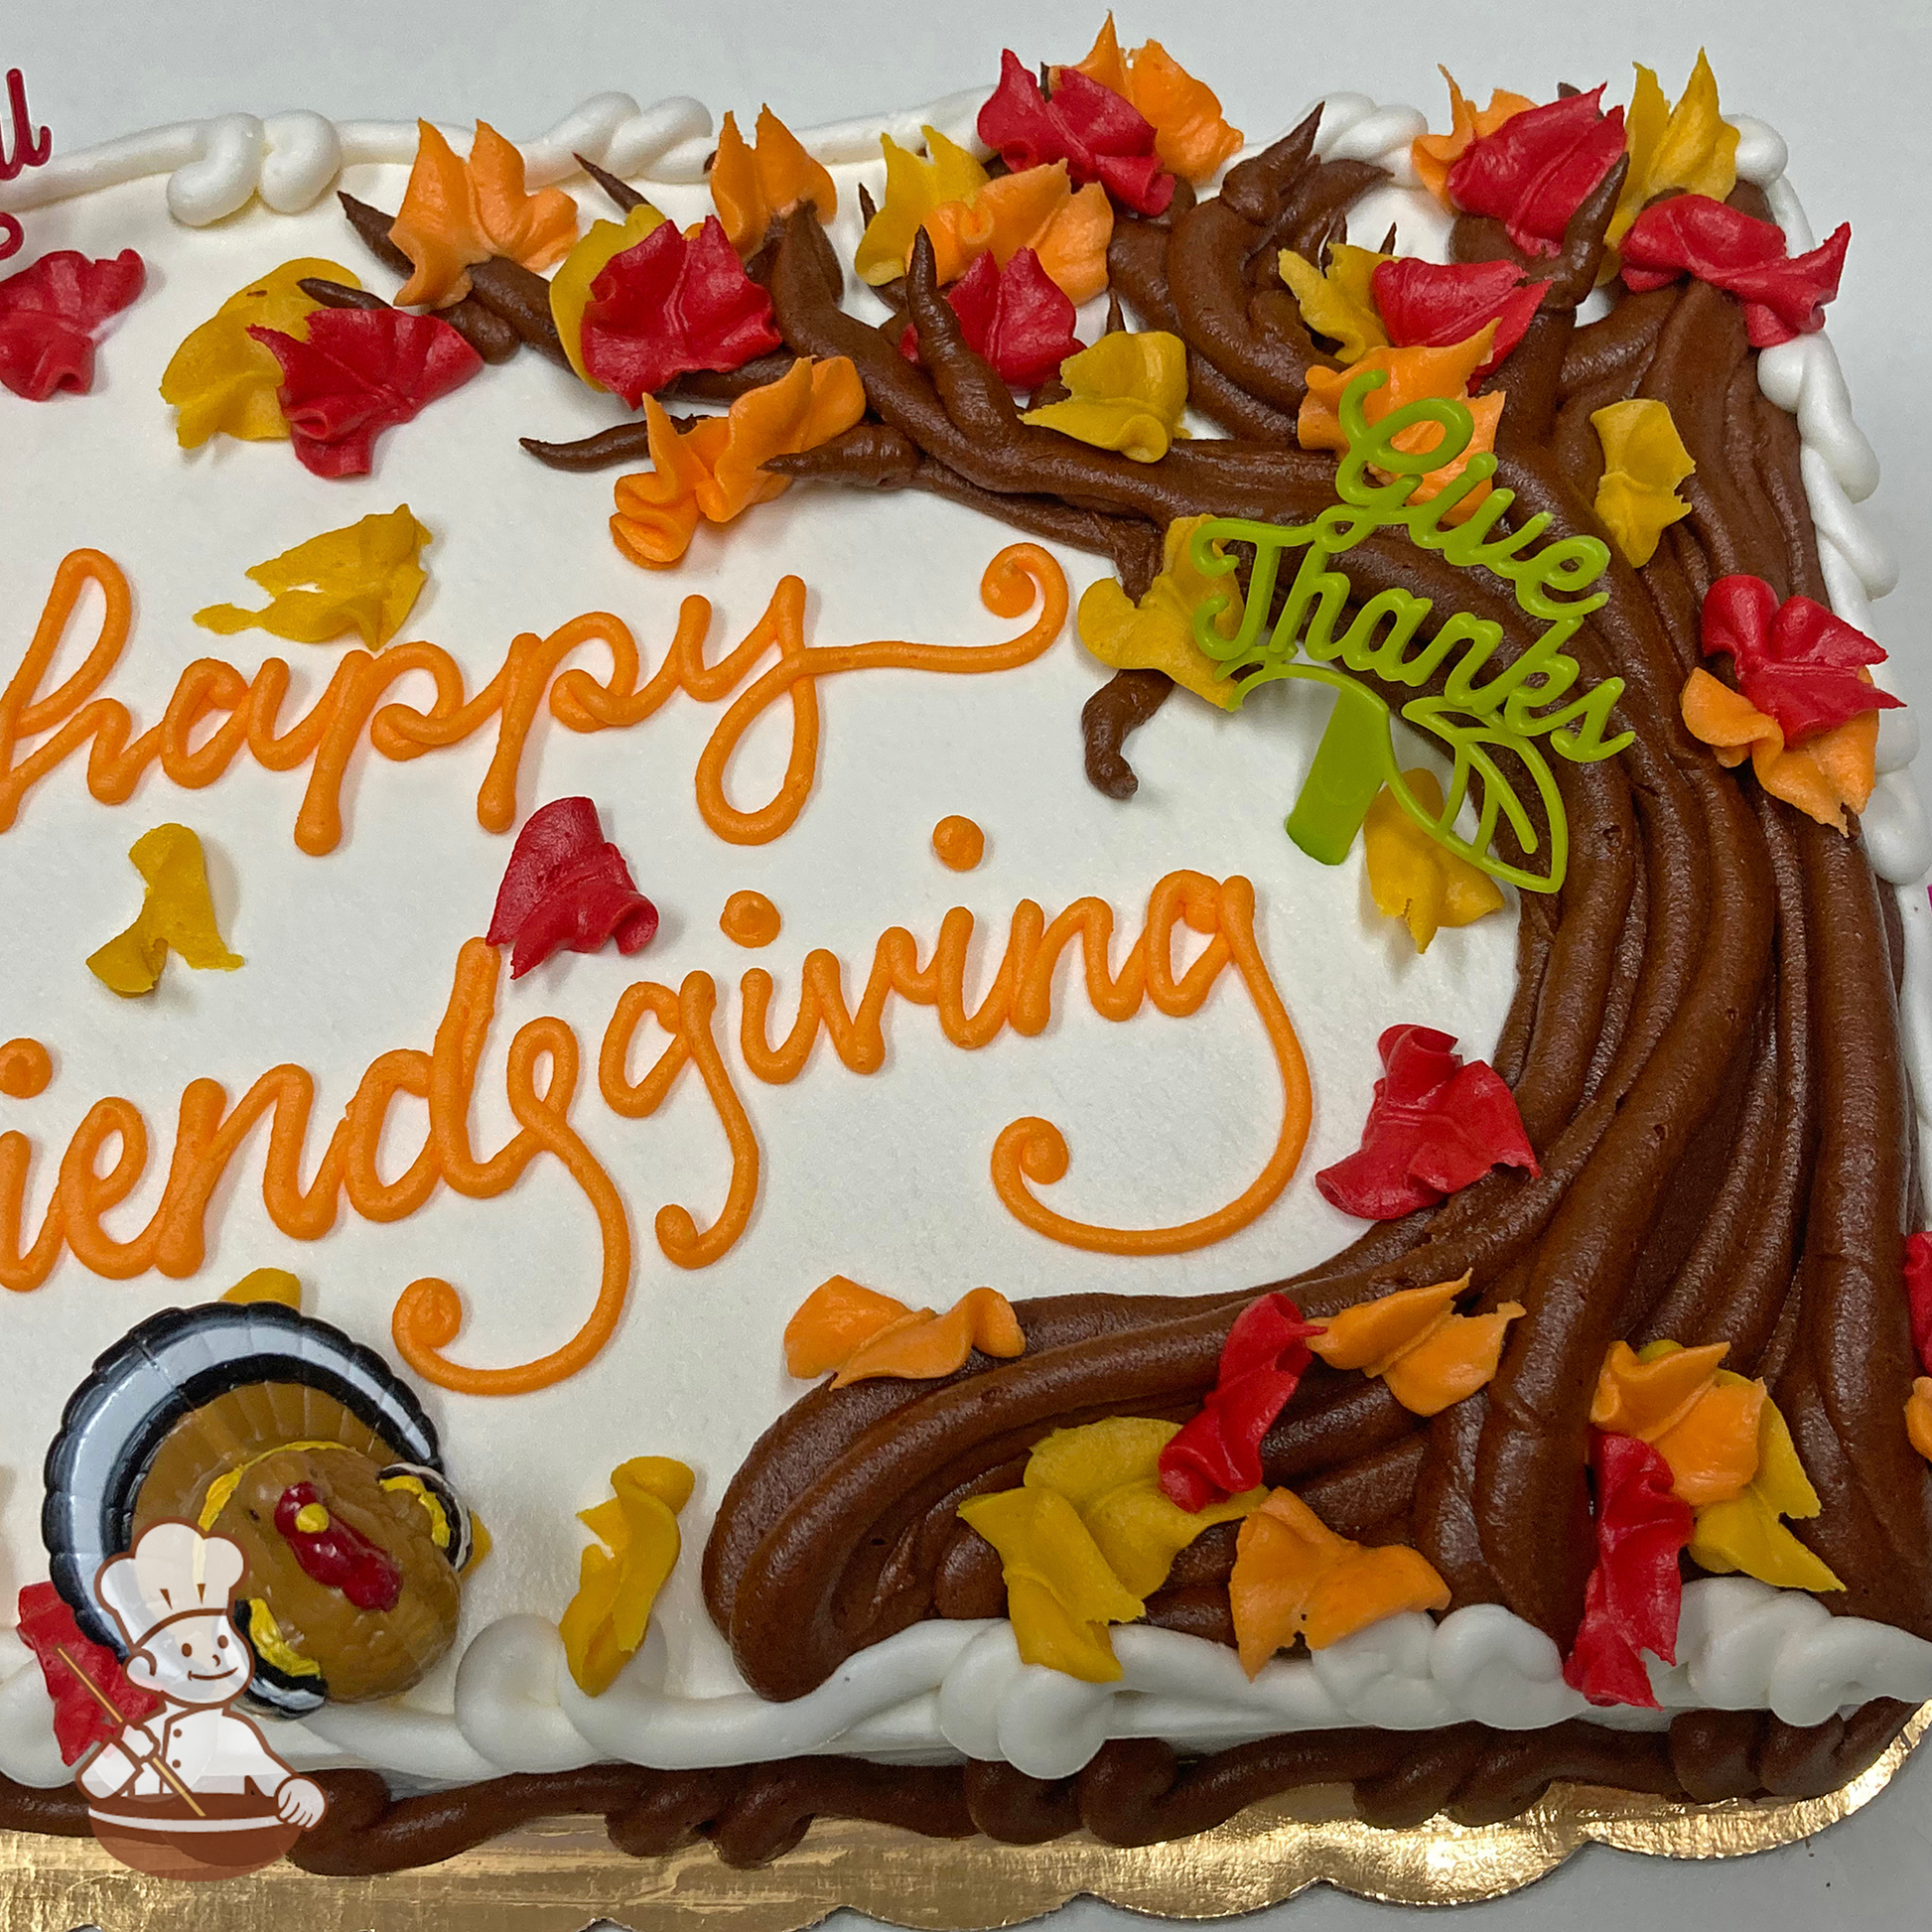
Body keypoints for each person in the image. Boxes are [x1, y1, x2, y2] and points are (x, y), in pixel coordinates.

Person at [76, 1520, 325, 1828]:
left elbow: (275, 1778)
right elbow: (95, 1779)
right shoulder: (144, 1725)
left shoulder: (234, 1731)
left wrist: (296, 1793)